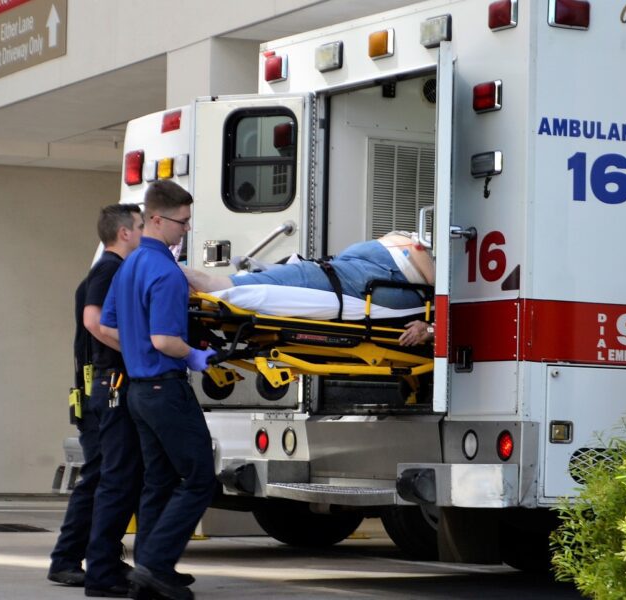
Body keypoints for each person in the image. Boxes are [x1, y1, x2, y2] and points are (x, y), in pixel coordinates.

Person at [100, 180, 216, 600]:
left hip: (138, 392)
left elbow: (107, 325)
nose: (185, 230)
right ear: (155, 218)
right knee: (201, 478)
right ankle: (156, 564)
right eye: (181, 223)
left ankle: (148, 571)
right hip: (165, 390)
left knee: (160, 480)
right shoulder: (165, 271)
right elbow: (167, 340)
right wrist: (197, 357)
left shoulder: (128, 265)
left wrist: (135, 350)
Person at [48, 204, 145, 598]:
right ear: (124, 233)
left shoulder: (102, 271)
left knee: (105, 476)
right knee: (104, 478)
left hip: (94, 391)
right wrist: (142, 351)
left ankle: (86, 556)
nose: (144, 232)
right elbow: (95, 324)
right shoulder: (108, 270)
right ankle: (67, 560)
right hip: (101, 393)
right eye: (140, 226)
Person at [182, 232, 434, 310]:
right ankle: (227, 285)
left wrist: (429, 328)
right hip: (378, 266)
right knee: (305, 271)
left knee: (307, 274)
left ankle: (219, 285)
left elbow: (442, 289)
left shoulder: (441, 254)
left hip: (393, 277)